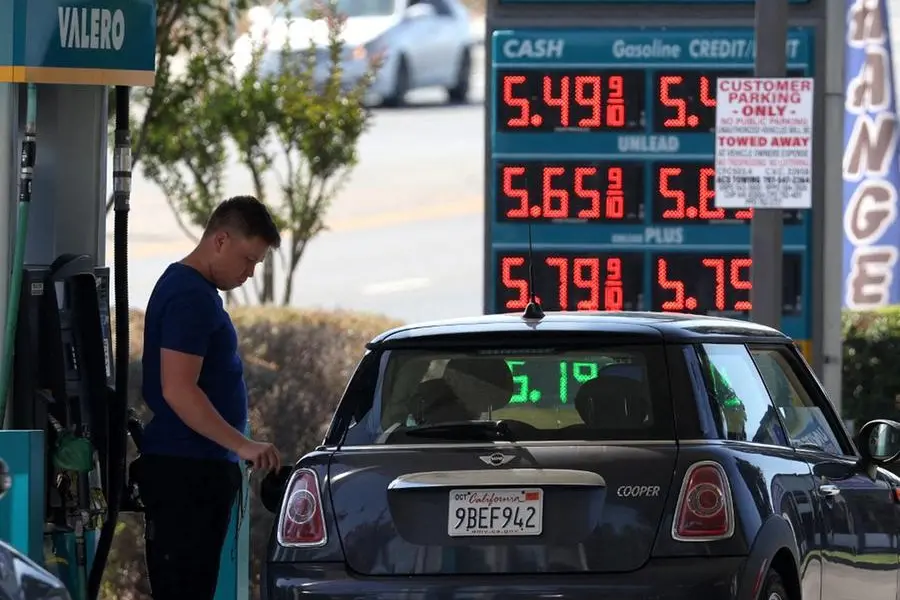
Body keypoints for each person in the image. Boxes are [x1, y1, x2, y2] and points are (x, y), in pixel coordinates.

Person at [134, 196, 283, 600]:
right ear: (220, 240)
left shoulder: (190, 289)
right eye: (248, 259)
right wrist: (242, 444)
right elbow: (178, 388)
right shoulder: (191, 297)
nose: (250, 274)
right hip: (186, 472)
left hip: (194, 468)